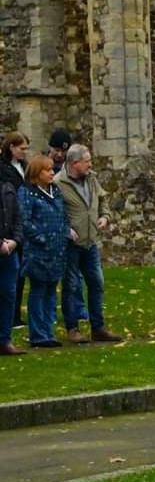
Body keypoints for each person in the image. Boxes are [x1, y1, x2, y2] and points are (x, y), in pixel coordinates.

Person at [57, 144, 122, 343]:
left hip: (90, 242)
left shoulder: (92, 178)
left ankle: (98, 327)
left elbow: (103, 200)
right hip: (71, 244)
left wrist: (105, 216)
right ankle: (72, 328)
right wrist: (64, 228)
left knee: (97, 283)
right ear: (75, 163)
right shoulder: (58, 183)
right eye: (87, 161)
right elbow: (52, 210)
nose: (90, 165)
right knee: (71, 286)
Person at [17, 155, 68, 348]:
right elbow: (24, 220)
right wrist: (41, 238)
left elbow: (63, 215)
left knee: (50, 292)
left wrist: (64, 232)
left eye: (52, 170)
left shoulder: (55, 191)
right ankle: (38, 334)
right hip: (38, 251)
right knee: (38, 291)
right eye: (47, 170)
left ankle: (48, 330)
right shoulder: (27, 193)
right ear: (37, 173)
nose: (52, 173)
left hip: (57, 250)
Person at [1, 132, 31, 328]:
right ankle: (9, 317)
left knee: (19, 273)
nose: (24, 152)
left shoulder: (24, 167)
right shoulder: (3, 169)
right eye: (21, 148)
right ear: (11, 147)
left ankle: (15, 315)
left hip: (21, 222)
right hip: (8, 224)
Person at [0, 162, 24, 355]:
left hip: (9, 250)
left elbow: (18, 216)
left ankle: (4, 340)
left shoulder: (8, 187)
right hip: (3, 246)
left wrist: (15, 241)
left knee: (9, 294)